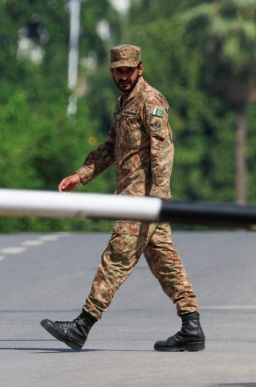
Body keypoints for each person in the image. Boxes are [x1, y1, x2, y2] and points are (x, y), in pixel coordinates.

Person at [40, 44, 204, 352]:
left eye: (129, 70)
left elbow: (162, 152)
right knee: (165, 262)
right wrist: (81, 174)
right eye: (119, 71)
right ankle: (191, 326)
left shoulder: (150, 101)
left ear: (140, 68)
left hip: (143, 200)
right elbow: (111, 147)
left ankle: (82, 325)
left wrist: (156, 199)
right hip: (135, 197)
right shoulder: (124, 102)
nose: (124, 76)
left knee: (117, 257)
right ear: (112, 72)